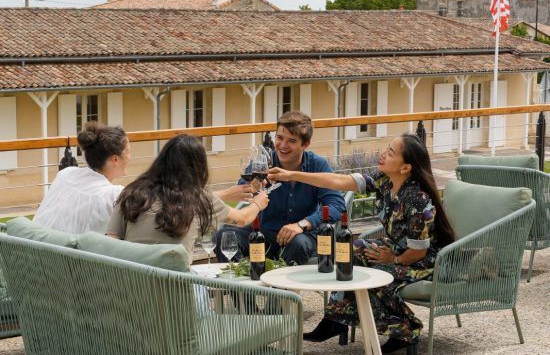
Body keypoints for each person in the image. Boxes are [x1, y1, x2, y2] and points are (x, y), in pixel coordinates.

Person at [268, 133, 455, 354]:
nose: (383, 154)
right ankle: (336, 319)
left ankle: (406, 329)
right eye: (387, 149)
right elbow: (337, 181)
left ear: (405, 168)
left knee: (376, 274)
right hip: (400, 250)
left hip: (425, 262)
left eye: (391, 153)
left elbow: (419, 250)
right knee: (351, 251)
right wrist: (293, 175)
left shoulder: (417, 199)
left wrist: (394, 259)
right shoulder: (384, 181)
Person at [106, 134, 269, 263]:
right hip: (177, 298)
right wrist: (258, 203)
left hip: (130, 295)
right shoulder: (196, 198)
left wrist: (225, 194)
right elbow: (242, 219)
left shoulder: (131, 194)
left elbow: (110, 243)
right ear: (198, 166)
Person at [214, 110, 346, 265]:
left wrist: (301, 224)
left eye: (291, 141)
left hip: (301, 235)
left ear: (305, 144)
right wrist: (252, 188)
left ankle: (279, 289)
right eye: (279, 137)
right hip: (265, 233)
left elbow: (337, 206)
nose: (282, 145)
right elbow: (243, 188)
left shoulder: (317, 165)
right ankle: (243, 288)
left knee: (299, 244)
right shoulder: (263, 163)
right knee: (224, 235)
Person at [34, 121, 130, 234]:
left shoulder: (65, 175)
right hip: (67, 251)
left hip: (33, 247)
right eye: (128, 152)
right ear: (115, 159)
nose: (130, 156)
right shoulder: (113, 195)